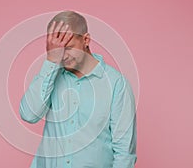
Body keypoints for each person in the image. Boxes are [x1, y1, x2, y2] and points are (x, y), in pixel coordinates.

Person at [19, 10, 137, 168]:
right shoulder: (50, 77)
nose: (63, 55)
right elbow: (29, 115)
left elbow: (124, 153)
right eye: (56, 49)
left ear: (86, 39)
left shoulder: (116, 84)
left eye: (68, 47)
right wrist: (50, 61)